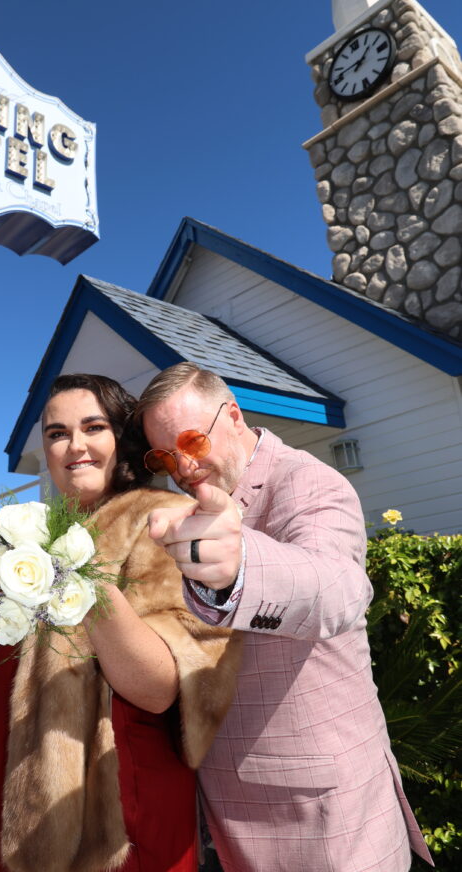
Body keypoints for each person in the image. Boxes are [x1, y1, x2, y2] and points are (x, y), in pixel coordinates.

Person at [141, 362, 433, 872]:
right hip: (224, 810)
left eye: (192, 441)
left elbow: (339, 589)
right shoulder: (186, 513)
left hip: (319, 820)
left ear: (232, 415)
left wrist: (241, 567)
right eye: (165, 455)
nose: (182, 467)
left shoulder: (310, 482)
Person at [0, 373, 242, 872]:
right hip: (16, 790)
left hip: (116, 817)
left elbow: (159, 688)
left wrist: (81, 581)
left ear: (121, 439)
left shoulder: (163, 521)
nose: (75, 446)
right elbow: (19, 660)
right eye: (57, 432)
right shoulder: (31, 534)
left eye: (93, 427)